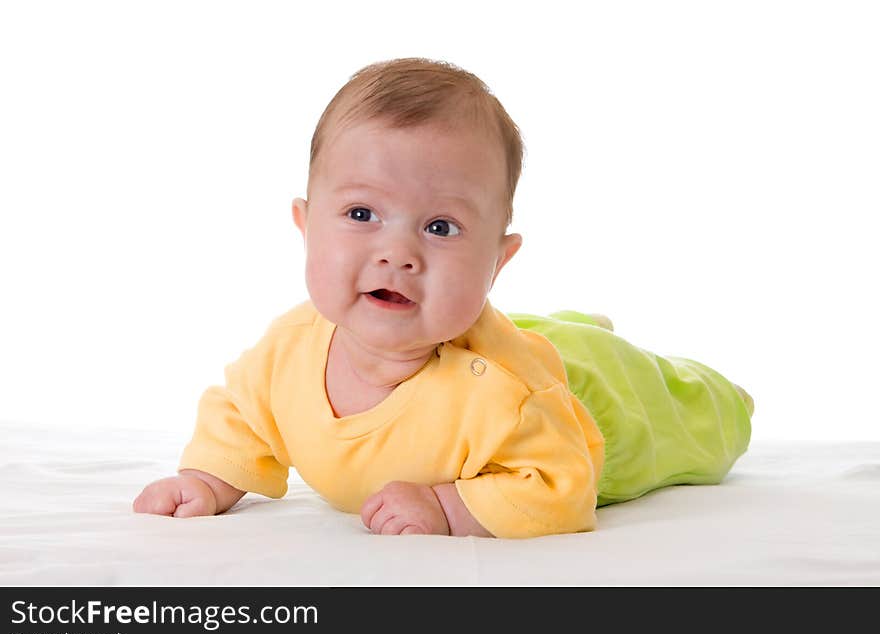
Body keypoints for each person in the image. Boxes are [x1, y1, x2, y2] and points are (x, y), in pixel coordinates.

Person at [133, 57, 753, 539]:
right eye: (360, 212)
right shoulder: (287, 350)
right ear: (305, 225)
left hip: (592, 409)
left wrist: (445, 505)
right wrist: (209, 480)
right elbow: (242, 414)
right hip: (498, 337)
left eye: (440, 228)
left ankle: (699, 388)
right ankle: (567, 326)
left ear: (497, 262)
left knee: (681, 411)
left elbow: (561, 485)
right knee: (543, 334)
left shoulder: (510, 398)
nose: (398, 253)